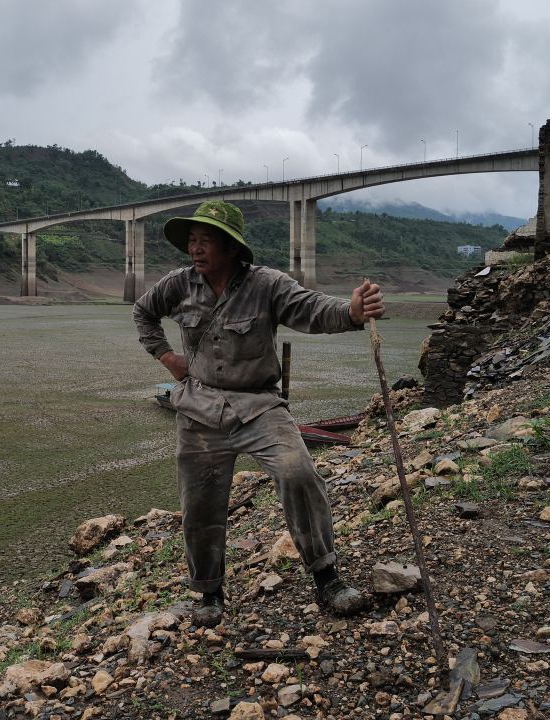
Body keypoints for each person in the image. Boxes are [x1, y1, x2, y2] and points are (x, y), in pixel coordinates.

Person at [132, 200, 384, 627]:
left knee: (299, 473)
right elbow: (143, 313)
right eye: (191, 240)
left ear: (231, 247)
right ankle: (209, 593)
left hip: (259, 406)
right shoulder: (177, 285)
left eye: (205, 240)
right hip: (199, 409)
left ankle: (328, 578)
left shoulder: (267, 284)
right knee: (200, 504)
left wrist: (352, 312)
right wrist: (166, 356)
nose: (195, 248)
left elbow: (312, 308)